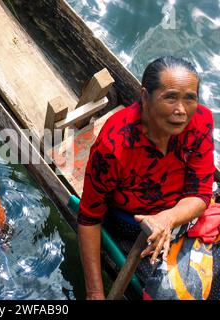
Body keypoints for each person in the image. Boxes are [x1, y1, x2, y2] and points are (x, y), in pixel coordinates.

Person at [77, 56, 220, 300]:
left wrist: (168, 217)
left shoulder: (199, 123)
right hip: (136, 228)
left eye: (190, 98)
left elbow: (201, 193)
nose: (181, 110)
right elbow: (89, 218)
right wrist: (95, 293)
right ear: (145, 97)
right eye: (170, 97)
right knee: (174, 294)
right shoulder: (114, 146)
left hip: (182, 215)